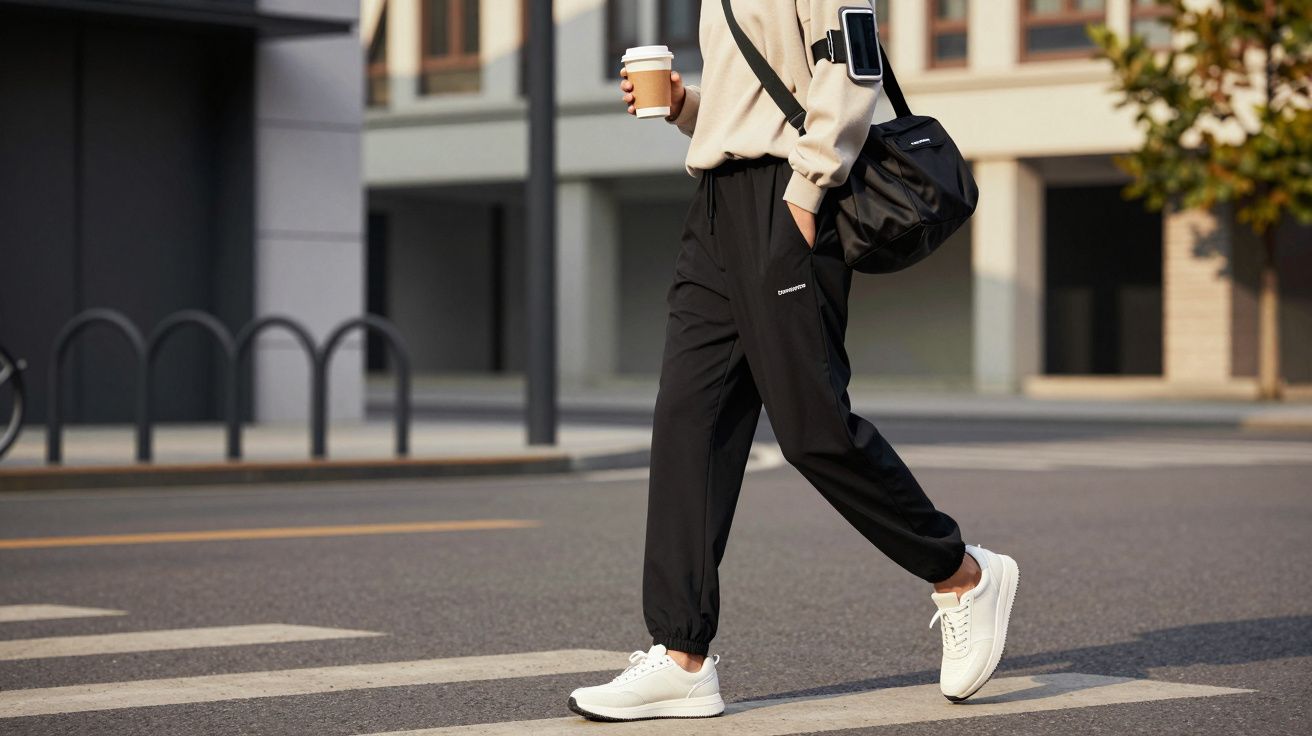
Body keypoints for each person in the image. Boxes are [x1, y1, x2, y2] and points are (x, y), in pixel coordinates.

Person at [567, 0, 1018, 722]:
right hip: (715, 206)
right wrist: (685, 106)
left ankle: (961, 573)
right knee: (688, 424)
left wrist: (806, 192)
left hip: (789, 198)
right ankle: (681, 657)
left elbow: (853, 67)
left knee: (813, 429)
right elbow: (755, 103)